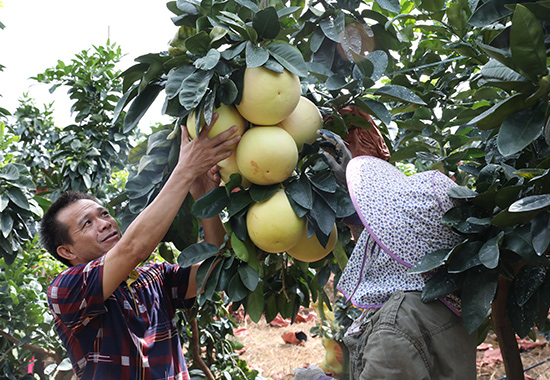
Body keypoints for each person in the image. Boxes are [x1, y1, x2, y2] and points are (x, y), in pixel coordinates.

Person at [40, 115, 240, 380]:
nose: (105, 224)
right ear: (67, 252)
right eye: (87, 223)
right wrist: (185, 170)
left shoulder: (152, 277)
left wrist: (204, 198)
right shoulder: (66, 290)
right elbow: (133, 248)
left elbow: (215, 268)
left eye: (104, 214)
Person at [318, 128, 477, 380]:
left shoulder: (395, 325)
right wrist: (349, 184)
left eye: (382, 230)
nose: (374, 235)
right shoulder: (447, 296)